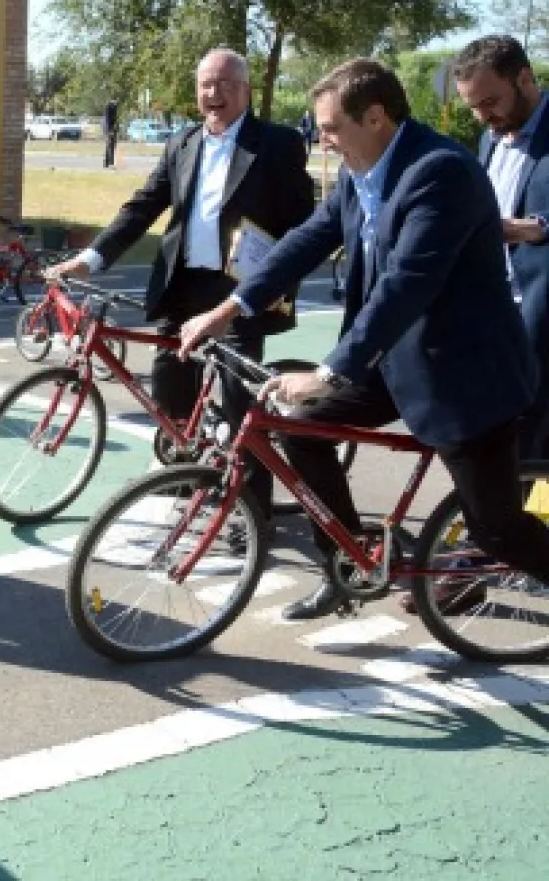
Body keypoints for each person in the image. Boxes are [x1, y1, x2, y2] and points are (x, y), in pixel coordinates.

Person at [177, 57, 549, 621]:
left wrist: (329, 372)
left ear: (375, 117)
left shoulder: (439, 171)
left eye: (330, 128)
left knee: (498, 532)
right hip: (391, 358)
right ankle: (347, 564)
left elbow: (406, 284)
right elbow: (305, 241)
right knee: (297, 427)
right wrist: (229, 309)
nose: (322, 141)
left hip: (464, 374)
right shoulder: (361, 168)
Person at [46, 48, 314, 519]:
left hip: (240, 289)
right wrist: (91, 259)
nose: (214, 93)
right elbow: (142, 207)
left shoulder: (277, 143)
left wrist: (276, 277)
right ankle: (185, 473)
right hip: (183, 285)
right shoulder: (182, 142)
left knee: (240, 400)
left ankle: (252, 512)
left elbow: (304, 220)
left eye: (225, 84)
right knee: (169, 383)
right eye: (206, 84)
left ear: (246, 90)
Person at [453, 34, 549, 460]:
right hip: (495, 316)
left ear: (524, 79)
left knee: (527, 447)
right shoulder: (492, 136)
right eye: (473, 107)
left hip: (540, 319)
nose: (482, 116)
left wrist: (535, 227)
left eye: (490, 102)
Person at [102, 98, 120, 168]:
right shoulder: (109, 107)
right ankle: (109, 163)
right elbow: (107, 120)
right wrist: (109, 130)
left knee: (112, 145)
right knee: (109, 145)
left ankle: (109, 162)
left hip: (112, 128)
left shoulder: (115, 107)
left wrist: (116, 129)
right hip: (109, 129)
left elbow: (115, 120)